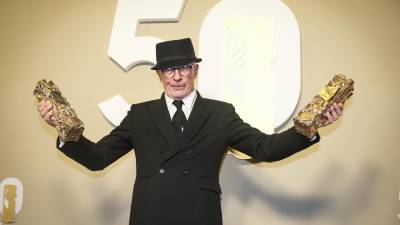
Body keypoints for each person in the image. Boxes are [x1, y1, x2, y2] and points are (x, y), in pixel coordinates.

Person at [37, 38, 343, 225]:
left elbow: (266, 148)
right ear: (159, 75)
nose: (177, 76)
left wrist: (313, 125)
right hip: (150, 216)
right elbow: (98, 157)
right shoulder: (140, 114)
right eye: (169, 70)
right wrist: (61, 127)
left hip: (199, 216)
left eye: (184, 67)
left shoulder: (220, 113)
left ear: (195, 70)